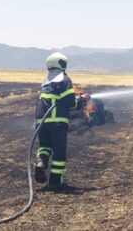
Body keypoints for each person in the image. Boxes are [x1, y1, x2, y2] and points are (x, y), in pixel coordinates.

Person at [34, 52, 89, 191]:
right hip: (57, 121)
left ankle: (41, 162)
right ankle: (55, 181)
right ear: (61, 64)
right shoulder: (64, 79)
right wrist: (81, 101)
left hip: (41, 121)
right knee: (59, 153)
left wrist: (78, 98)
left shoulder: (46, 81)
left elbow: (57, 99)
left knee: (45, 146)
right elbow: (69, 102)